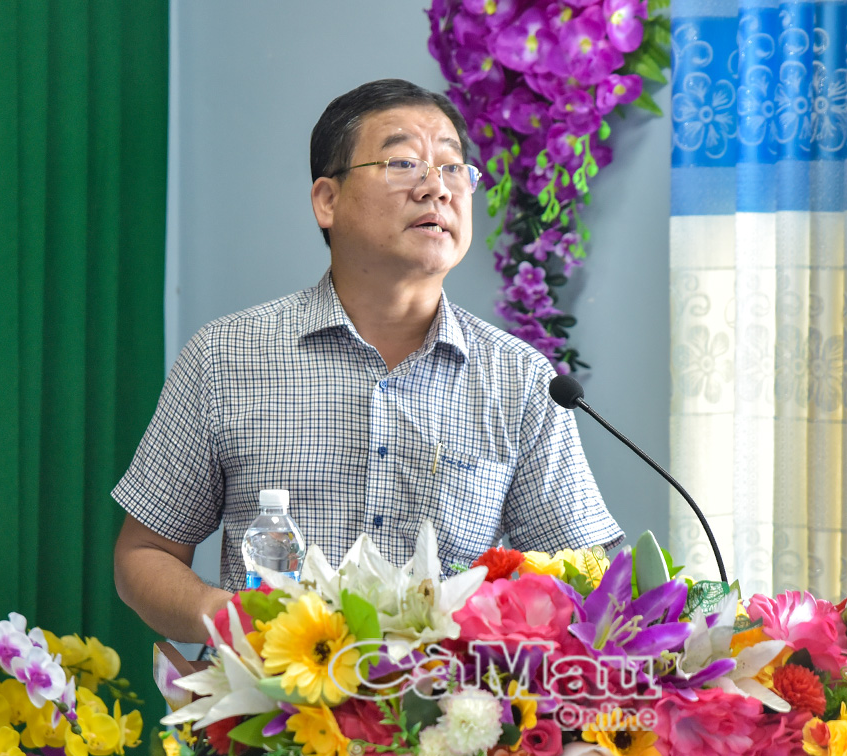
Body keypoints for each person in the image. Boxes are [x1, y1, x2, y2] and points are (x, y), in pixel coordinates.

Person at [112, 79, 623, 643]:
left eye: (453, 167)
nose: (437, 189)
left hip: (448, 697)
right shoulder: (226, 356)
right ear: (327, 201)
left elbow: (585, 580)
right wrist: (234, 623)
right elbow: (145, 553)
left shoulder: (520, 378)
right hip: (274, 691)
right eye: (403, 164)